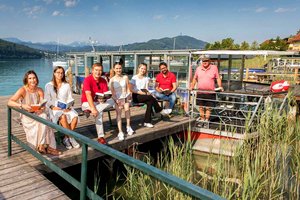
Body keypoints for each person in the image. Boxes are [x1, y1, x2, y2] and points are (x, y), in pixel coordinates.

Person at [7, 70, 61, 155]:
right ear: (26, 80)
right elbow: (10, 102)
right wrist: (22, 106)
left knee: (44, 116)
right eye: (30, 78)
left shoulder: (39, 90)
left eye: (34, 78)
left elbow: (42, 104)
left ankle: (42, 145)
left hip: (37, 113)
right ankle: (48, 147)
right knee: (44, 119)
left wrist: (41, 108)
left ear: (37, 79)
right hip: (27, 115)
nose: (32, 80)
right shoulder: (23, 90)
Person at [45, 66, 80, 150]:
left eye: (62, 73)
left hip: (65, 107)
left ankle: (66, 138)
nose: (60, 74)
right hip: (54, 108)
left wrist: (69, 106)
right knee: (63, 117)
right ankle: (71, 138)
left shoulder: (66, 85)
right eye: (58, 72)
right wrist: (53, 107)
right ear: (54, 73)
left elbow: (70, 98)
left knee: (75, 117)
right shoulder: (48, 85)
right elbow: (46, 100)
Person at [81, 63, 115, 144]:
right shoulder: (87, 80)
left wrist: (104, 99)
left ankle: (88, 111)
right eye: (96, 70)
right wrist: (93, 108)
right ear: (92, 71)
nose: (98, 72)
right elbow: (88, 95)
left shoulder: (103, 80)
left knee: (112, 100)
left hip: (99, 103)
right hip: (87, 103)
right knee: (99, 112)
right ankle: (101, 137)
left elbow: (105, 94)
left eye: (100, 70)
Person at [129, 63, 169, 128]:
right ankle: (160, 110)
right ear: (138, 69)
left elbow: (146, 89)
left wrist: (149, 93)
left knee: (150, 102)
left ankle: (147, 122)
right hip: (136, 96)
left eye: (144, 69)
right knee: (150, 98)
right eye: (142, 68)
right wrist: (142, 93)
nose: (143, 70)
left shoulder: (146, 78)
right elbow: (131, 89)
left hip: (145, 95)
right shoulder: (134, 77)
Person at [189, 55, 223, 127]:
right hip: (200, 92)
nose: (205, 62)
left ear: (209, 61)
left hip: (210, 92)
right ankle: (202, 119)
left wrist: (220, 86)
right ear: (201, 62)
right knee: (201, 107)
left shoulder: (214, 68)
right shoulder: (198, 68)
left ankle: (206, 120)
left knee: (208, 108)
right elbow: (195, 78)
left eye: (206, 61)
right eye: (203, 61)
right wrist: (192, 86)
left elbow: (218, 78)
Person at [110, 62, 134, 140]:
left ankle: (128, 126)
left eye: (120, 68)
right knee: (119, 112)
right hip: (117, 98)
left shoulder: (125, 77)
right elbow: (112, 93)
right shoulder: (112, 80)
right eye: (117, 68)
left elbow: (127, 88)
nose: (118, 70)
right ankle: (120, 131)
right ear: (114, 69)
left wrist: (129, 95)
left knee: (127, 109)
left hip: (125, 97)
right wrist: (116, 100)